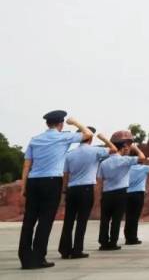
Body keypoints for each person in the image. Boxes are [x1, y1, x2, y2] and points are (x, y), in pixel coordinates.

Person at [19, 111, 93, 270]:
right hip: (51, 181)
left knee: (29, 220)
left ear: (47, 124)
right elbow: (88, 134)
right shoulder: (63, 137)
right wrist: (76, 122)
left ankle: (25, 258)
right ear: (61, 124)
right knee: (45, 220)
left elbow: (26, 164)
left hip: (33, 181)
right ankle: (38, 258)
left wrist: (23, 186)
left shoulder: (35, 139)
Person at [58, 127, 117, 259]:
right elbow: (114, 150)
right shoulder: (95, 151)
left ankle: (64, 249)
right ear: (90, 138)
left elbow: (65, 174)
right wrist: (104, 139)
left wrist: (65, 190)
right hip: (86, 189)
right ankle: (77, 250)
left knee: (69, 220)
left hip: (72, 189)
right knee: (82, 221)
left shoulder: (70, 154)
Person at [97, 131, 147, 250]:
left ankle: (103, 242)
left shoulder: (104, 163)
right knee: (116, 219)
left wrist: (101, 194)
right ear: (123, 147)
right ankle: (113, 242)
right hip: (120, 193)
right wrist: (136, 149)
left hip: (106, 192)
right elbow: (142, 158)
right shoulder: (124, 160)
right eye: (128, 146)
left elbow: (100, 180)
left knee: (105, 219)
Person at [124, 153, 149, 245]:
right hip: (138, 194)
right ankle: (133, 238)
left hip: (127, 193)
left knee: (128, 216)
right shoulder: (143, 168)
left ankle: (127, 237)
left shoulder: (127, 168)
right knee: (135, 217)